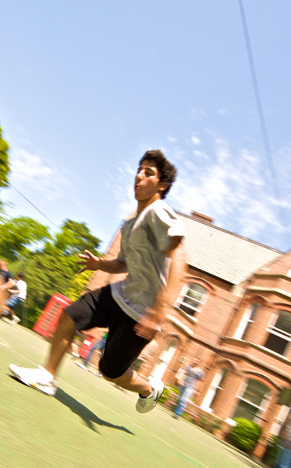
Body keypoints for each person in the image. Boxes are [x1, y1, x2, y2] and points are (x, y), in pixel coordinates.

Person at [10, 150, 186, 413]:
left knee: (110, 372)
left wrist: (160, 309)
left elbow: (179, 257)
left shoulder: (158, 211)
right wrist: (99, 264)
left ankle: (149, 388)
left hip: (141, 313)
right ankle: (47, 378)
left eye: (148, 172)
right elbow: (123, 263)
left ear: (162, 185)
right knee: (71, 315)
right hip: (119, 295)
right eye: (139, 169)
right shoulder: (130, 222)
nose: (139, 175)